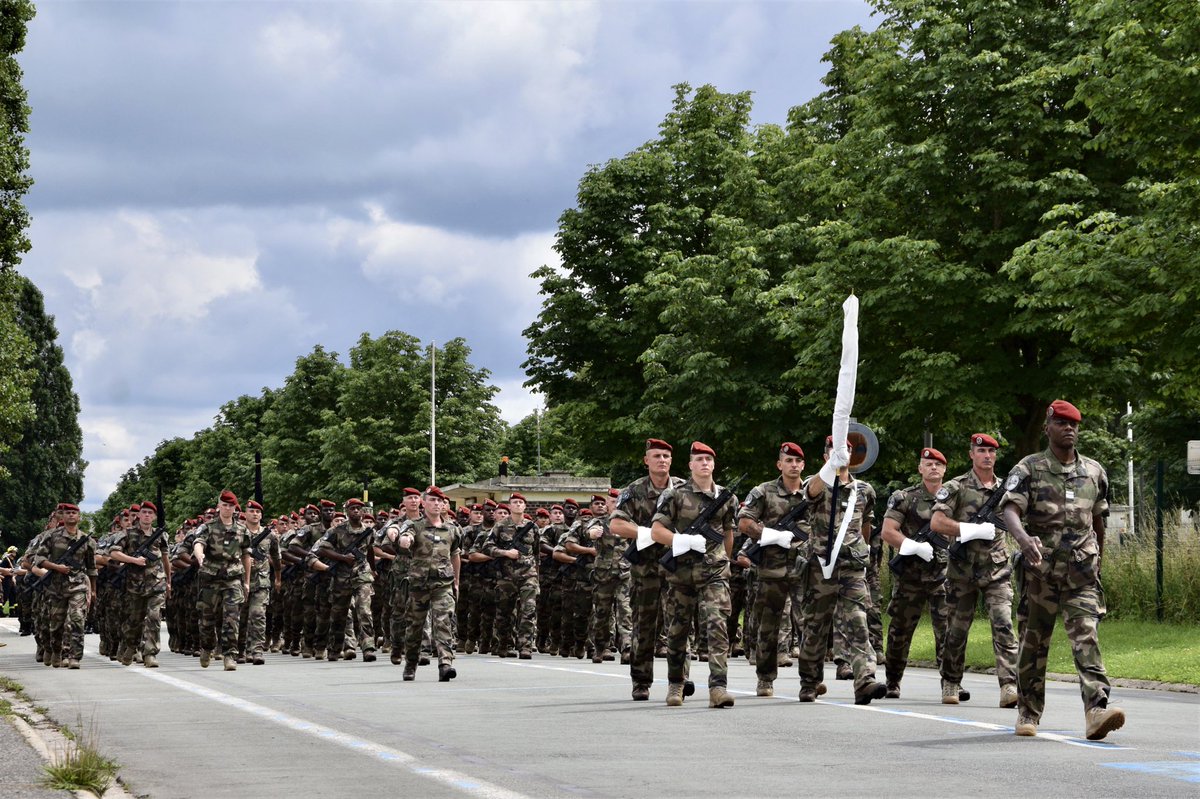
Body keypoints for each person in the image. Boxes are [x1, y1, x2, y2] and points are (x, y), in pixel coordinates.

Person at [1000, 400, 1125, 740]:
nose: (1069, 429)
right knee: (1033, 645)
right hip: (1040, 573)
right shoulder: (1030, 468)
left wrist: (1099, 558)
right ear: (1048, 428)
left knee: (1087, 637)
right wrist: (1024, 539)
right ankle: (1028, 712)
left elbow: (1098, 520)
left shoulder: (1094, 472)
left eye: (1074, 424)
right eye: (1062, 424)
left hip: (1081, 575)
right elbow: (1010, 510)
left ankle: (1096, 711)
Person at [794, 438, 887, 705]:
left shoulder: (864, 490)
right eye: (835, 453)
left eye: (845, 452)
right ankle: (809, 682)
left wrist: (864, 550)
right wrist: (829, 470)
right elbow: (810, 492)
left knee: (858, 622)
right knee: (816, 626)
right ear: (826, 458)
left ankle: (865, 682)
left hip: (851, 568)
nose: (841, 456)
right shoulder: (817, 484)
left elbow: (865, 525)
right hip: (821, 567)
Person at [931, 433, 1018, 707]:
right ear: (972, 454)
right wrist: (967, 529)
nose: (987, 456)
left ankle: (1009, 686)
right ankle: (951, 682)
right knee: (956, 630)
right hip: (962, 571)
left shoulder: (1007, 489)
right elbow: (937, 522)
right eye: (981, 451)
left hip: (997, 571)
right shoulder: (956, 486)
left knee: (1003, 625)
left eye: (991, 452)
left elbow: (1018, 519)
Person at [650, 441, 738, 709]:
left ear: (714, 465)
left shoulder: (727, 497)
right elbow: (656, 531)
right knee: (677, 631)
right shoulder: (675, 495)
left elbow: (728, 534)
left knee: (717, 626)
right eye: (698, 459)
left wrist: (726, 562)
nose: (704, 464)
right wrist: (681, 541)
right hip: (681, 573)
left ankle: (718, 687)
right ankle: (676, 683)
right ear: (690, 465)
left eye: (708, 460)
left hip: (714, 571)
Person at [609, 438, 686, 701]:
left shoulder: (684, 489)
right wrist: (648, 532)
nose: (662, 460)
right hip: (646, 569)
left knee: (680, 624)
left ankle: (679, 679)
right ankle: (641, 681)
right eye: (656, 456)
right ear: (646, 460)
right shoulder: (634, 490)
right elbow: (617, 525)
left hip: (678, 567)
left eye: (666, 456)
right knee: (645, 626)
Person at [737, 442, 812, 697]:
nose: (794, 465)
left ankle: (810, 680)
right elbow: (745, 522)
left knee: (809, 624)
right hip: (771, 567)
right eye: (788, 461)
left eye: (798, 461)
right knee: (768, 626)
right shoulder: (764, 491)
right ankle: (765, 678)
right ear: (779, 464)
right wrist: (768, 534)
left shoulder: (812, 492)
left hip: (804, 568)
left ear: (804, 465)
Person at [880, 447, 951, 699]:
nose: (933, 468)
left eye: (938, 464)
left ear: (945, 469)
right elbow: (888, 531)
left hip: (943, 576)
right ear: (920, 469)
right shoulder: (905, 498)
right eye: (928, 464)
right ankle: (892, 680)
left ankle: (951, 683)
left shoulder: (953, 497)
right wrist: (911, 546)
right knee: (900, 630)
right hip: (910, 576)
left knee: (947, 631)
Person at [393, 486, 460, 682]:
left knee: (443, 623)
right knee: (415, 626)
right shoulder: (415, 525)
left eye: (440, 501)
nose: (437, 504)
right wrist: (405, 540)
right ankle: (411, 664)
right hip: (418, 584)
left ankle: (445, 664)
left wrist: (457, 581)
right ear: (424, 503)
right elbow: (405, 537)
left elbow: (455, 555)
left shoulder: (452, 529)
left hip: (443, 584)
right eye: (432, 500)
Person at [106, 500, 171, 668]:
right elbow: (113, 553)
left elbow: (165, 559)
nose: (147, 515)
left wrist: (168, 581)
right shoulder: (127, 534)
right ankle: (130, 646)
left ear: (155, 516)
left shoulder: (160, 535)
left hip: (156, 583)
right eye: (144, 512)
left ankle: (150, 653)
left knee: (154, 617)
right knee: (134, 621)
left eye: (150, 513)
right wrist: (133, 560)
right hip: (134, 584)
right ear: (139, 515)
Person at [192, 490, 251, 670]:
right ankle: (207, 647)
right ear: (218, 506)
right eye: (224, 505)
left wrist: (247, 582)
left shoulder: (242, 529)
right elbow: (198, 543)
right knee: (207, 619)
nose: (227, 508)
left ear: (235, 508)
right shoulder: (208, 527)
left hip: (233, 578)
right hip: (211, 578)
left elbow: (247, 555)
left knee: (231, 618)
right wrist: (200, 556)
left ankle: (229, 655)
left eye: (230, 506)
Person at [33, 503, 97, 669]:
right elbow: (39, 559)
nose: (70, 515)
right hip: (56, 587)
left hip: (78, 586)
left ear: (79, 517)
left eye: (74, 513)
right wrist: (56, 567)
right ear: (63, 516)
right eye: (67, 513)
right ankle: (56, 651)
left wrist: (93, 590)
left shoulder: (87, 540)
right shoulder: (52, 536)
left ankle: (74, 656)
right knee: (56, 625)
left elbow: (91, 567)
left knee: (77, 620)